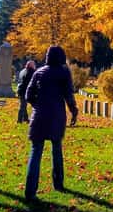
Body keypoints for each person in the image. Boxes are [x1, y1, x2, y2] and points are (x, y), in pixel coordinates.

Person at [24, 46, 78, 199]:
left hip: (39, 116)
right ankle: (58, 183)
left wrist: (38, 105)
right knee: (56, 149)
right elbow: (68, 94)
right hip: (56, 116)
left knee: (35, 152)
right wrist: (73, 110)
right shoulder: (64, 72)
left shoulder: (38, 72)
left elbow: (28, 95)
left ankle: (30, 191)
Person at [16, 60, 36, 124]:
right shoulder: (31, 72)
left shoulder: (22, 71)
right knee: (25, 106)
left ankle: (25, 118)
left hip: (20, 90)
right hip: (26, 91)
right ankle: (19, 120)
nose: (35, 66)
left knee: (23, 105)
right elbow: (32, 83)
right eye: (34, 65)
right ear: (31, 66)